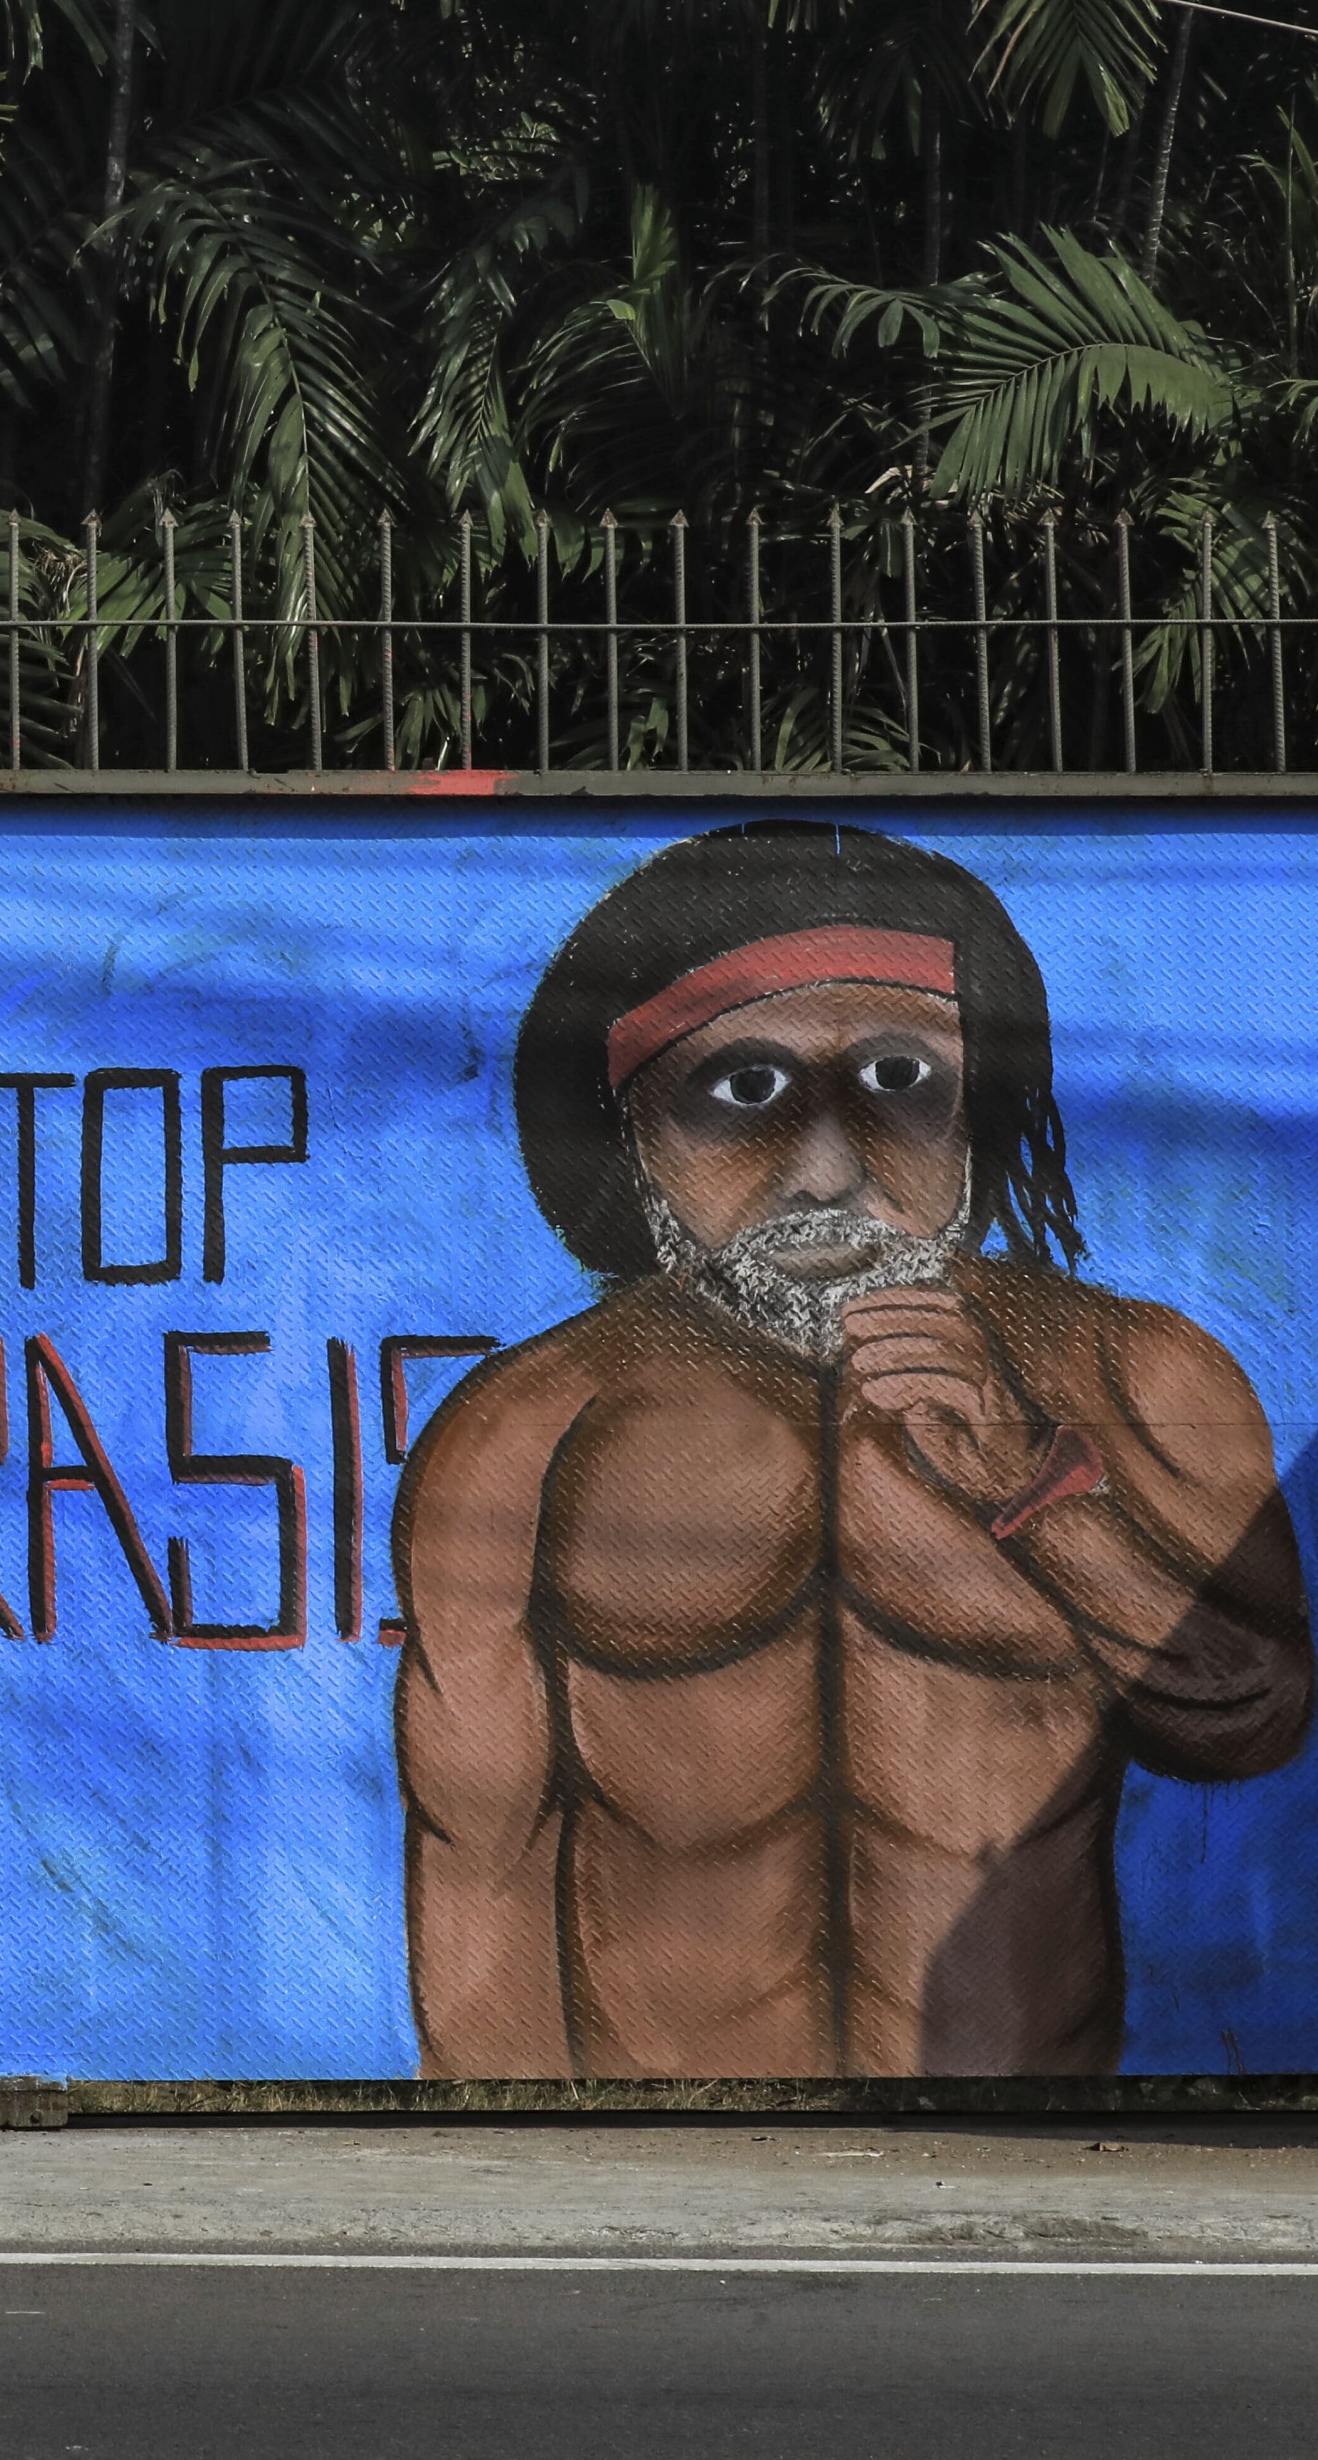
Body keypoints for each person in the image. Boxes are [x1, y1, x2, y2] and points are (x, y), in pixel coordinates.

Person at [397, 821, 1313, 2079]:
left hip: (1030, 2167)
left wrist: (1030, 1481)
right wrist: (527, 2202)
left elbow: (1252, 1725)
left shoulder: (1130, 1377)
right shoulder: (530, 1427)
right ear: (633, 1132)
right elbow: (479, 1863)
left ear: (976, 1108)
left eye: (896, 1081)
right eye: (745, 1092)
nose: (827, 1171)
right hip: (658, 2166)